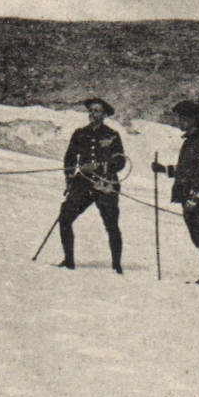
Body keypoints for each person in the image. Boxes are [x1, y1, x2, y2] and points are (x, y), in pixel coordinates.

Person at [151, 101, 199, 289]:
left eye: (183, 117)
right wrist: (164, 169)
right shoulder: (192, 141)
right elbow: (188, 170)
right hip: (194, 198)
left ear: (193, 119)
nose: (179, 121)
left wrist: (194, 198)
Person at [57, 97, 127, 273]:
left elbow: (120, 162)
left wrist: (99, 166)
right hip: (83, 184)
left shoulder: (112, 135)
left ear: (104, 115)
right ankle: (68, 260)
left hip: (106, 184)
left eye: (97, 111)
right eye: (91, 111)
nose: (93, 114)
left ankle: (116, 265)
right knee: (65, 217)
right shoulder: (79, 133)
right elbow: (70, 158)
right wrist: (70, 177)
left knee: (111, 224)